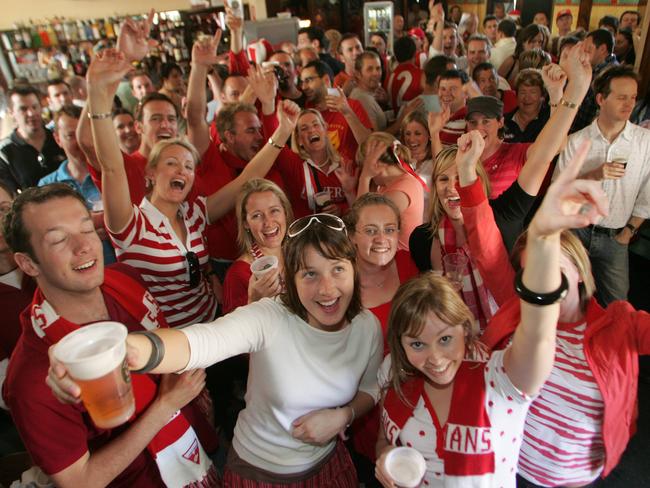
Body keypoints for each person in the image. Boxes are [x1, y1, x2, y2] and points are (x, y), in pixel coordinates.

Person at [67, 212, 383, 486]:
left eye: (337, 269)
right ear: (292, 279)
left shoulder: (367, 326)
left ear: (354, 269)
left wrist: (344, 415)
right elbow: (199, 342)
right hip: (261, 472)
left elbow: (371, 388)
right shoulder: (270, 317)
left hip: (330, 466)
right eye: (310, 273)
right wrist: (127, 350)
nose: (327, 289)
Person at [374, 143, 608, 486]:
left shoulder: (497, 381)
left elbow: (537, 329)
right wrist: (383, 454)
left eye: (444, 339)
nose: (435, 356)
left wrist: (543, 239)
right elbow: (385, 435)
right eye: (417, 344)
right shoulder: (394, 375)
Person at [4, 184, 218, 487]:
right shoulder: (32, 377)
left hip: (199, 446)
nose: (83, 247)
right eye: (59, 239)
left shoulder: (124, 277)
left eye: (87, 229)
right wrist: (165, 406)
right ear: (27, 263)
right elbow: (80, 482)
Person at [86, 48, 299, 328]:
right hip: (173, 341)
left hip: (212, 322)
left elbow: (246, 178)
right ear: (150, 173)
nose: (182, 171)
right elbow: (111, 165)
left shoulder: (194, 213)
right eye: (171, 163)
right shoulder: (131, 223)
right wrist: (97, 95)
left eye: (188, 166)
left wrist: (283, 132)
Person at [556, 64, 650, 306]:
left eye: (633, 97)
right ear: (600, 99)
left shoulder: (644, 142)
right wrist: (593, 175)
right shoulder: (576, 141)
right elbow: (557, 192)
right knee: (565, 301)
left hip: (615, 236)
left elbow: (647, 192)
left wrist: (629, 231)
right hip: (576, 232)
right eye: (621, 97)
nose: (629, 104)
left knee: (618, 306)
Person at [409, 145, 495, 332]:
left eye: (460, 178)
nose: (451, 188)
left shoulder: (498, 229)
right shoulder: (421, 240)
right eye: (443, 179)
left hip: (499, 339)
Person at [38, 105, 117, 265]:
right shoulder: (47, 186)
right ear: (58, 139)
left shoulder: (111, 175)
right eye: (71, 136)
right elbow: (45, 237)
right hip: (77, 271)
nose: (80, 141)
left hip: (121, 267)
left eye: (84, 133)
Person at [223, 178, 292, 314]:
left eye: (274, 211)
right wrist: (253, 301)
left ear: (285, 212)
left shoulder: (300, 253)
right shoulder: (238, 274)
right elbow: (235, 333)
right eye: (257, 216)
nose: (268, 222)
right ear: (245, 223)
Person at [356, 133, 424, 251]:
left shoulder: (401, 190)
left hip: (402, 259)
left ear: (376, 164)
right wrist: (348, 190)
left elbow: (363, 222)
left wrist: (364, 178)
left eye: (364, 166)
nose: (364, 170)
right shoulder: (387, 184)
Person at [299, 60, 372, 163]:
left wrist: (347, 112)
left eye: (309, 80)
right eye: (302, 82)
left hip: (350, 174)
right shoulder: (307, 112)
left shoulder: (352, 105)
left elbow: (369, 144)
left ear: (326, 79)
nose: (304, 87)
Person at [0, 85, 66, 193]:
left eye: (35, 107)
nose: (31, 113)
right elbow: (9, 195)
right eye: (23, 109)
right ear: (11, 112)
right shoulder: (5, 152)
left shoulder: (59, 137)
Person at [571, 29, 618, 133]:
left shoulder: (610, 74)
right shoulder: (595, 68)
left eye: (588, 50)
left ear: (602, 49)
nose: (584, 54)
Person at [503, 69, 550, 143]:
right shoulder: (503, 121)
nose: (527, 97)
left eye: (533, 92)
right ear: (516, 95)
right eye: (523, 92)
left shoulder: (550, 118)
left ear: (542, 96)